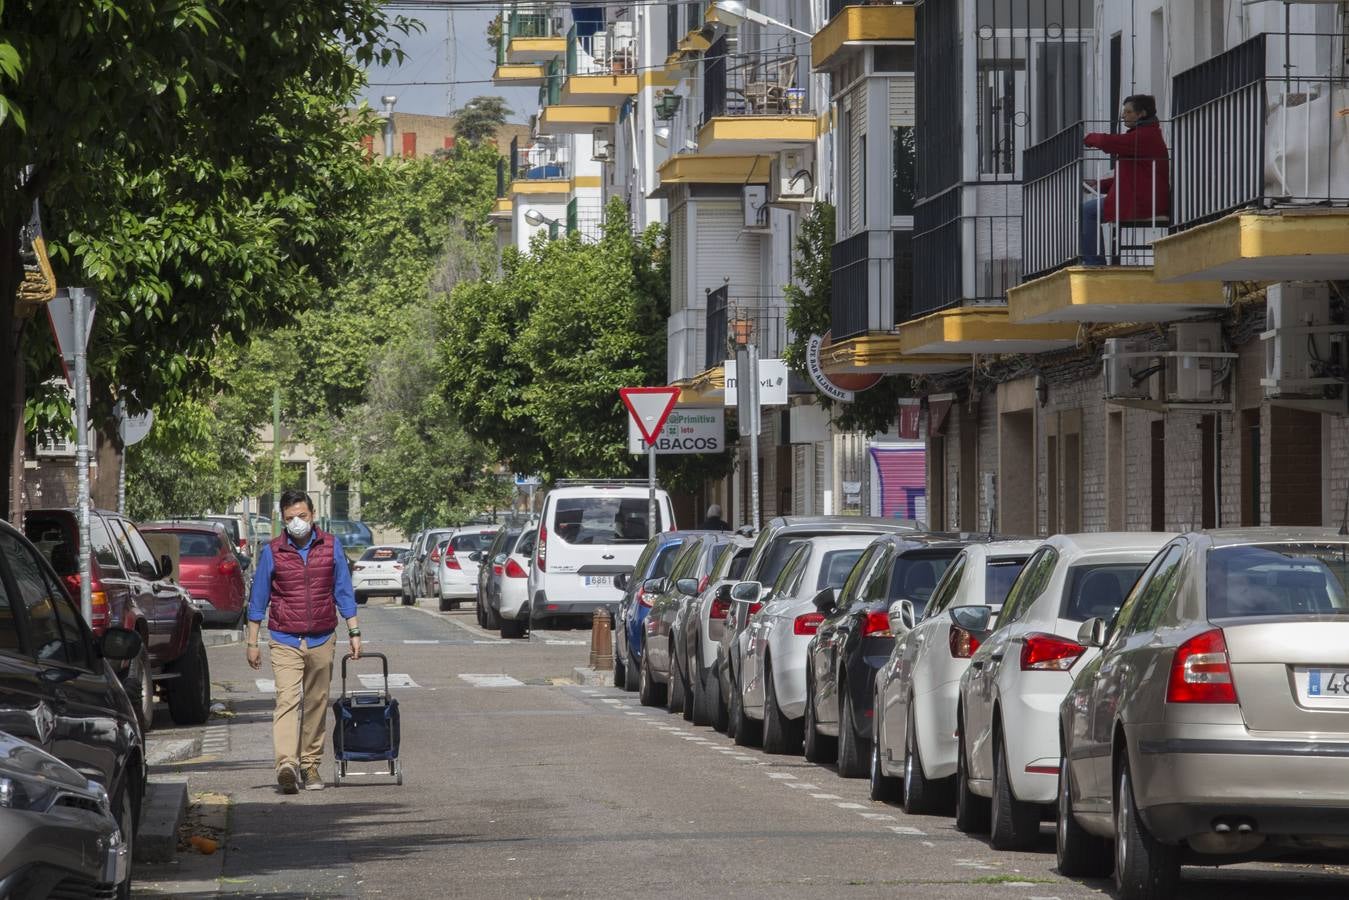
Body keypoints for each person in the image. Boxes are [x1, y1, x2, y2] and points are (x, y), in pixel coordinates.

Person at [245, 489, 361, 794]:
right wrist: (253, 641)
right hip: (285, 637)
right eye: (290, 518)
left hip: (322, 636)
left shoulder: (331, 547)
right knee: (287, 699)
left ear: (313, 515)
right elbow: (258, 599)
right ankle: (286, 764)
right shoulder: (273, 551)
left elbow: (344, 592)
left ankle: (309, 765)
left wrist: (354, 632)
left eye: (302, 516)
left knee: (316, 702)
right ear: (282, 520)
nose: (297, 522)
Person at [1080, 94, 1170, 266]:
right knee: (1088, 211)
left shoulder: (1144, 136)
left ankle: (1094, 263)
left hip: (1141, 201)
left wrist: (1087, 137)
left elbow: (1112, 142)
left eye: (1128, 112)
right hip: (1140, 197)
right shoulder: (1146, 135)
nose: (1123, 116)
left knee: (1086, 212)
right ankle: (1094, 261)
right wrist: (1098, 185)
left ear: (1141, 114)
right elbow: (1129, 176)